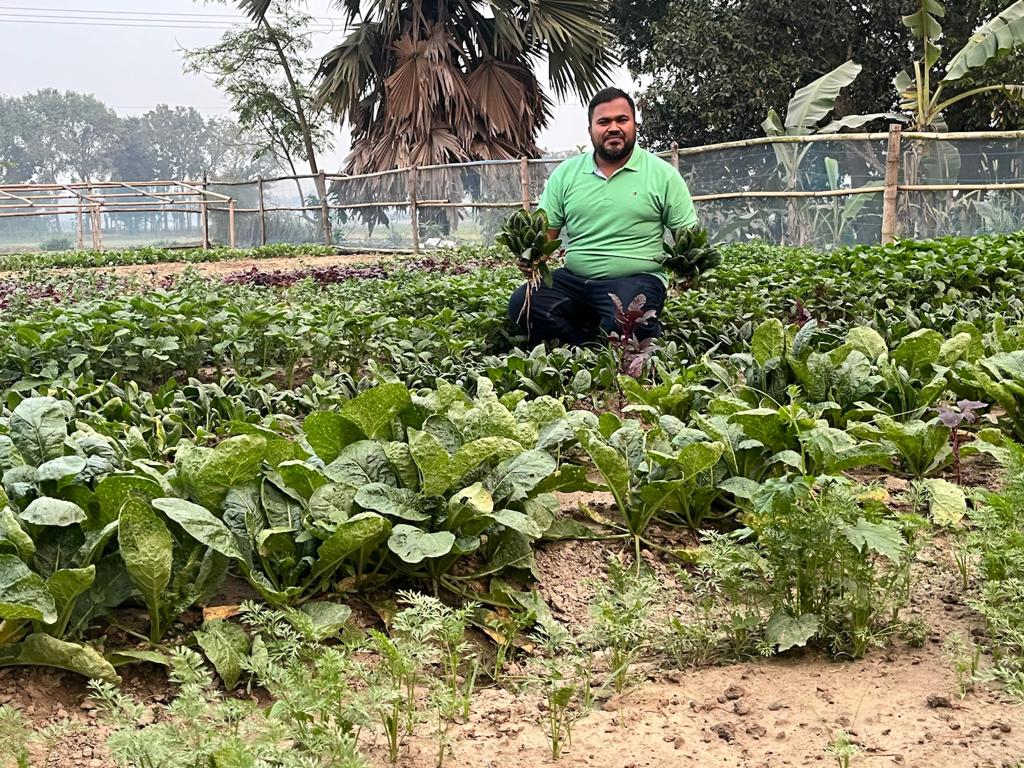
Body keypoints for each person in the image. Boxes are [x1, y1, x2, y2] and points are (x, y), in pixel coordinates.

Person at [508, 87, 699, 346]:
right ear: (590, 130)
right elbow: (545, 236)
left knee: (632, 320)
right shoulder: (566, 174)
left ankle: (614, 331)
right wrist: (531, 259)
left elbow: (689, 240)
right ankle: (587, 343)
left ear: (635, 125)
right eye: (603, 122)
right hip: (575, 281)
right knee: (523, 306)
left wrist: (688, 270)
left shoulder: (663, 175)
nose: (613, 128)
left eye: (622, 119)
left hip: (636, 279)